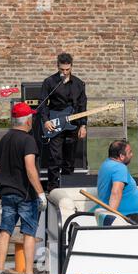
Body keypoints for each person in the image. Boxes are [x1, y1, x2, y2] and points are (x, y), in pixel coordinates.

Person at [0, 102, 47, 274]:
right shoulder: (28, 140)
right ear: (27, 121)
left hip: (7, 192)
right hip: (25, 194)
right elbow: (30, 169)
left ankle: (0, 273)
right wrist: (41, 194)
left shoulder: (4, 139)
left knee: (5, 231)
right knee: (29, 233)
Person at [39, 52, 87, 192]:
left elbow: (83, 105)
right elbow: (42, 103)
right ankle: (52, 188)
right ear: (57, 67)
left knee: (70, 157)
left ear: (71, 67)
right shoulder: (49, 82)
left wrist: (83, 125)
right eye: (62, 69)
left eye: (67, 69)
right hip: (55, 123)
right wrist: (46, 120)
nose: (65, 72)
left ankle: (67, 186)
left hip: (73, 124)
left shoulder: (79, 83)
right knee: (55, 157)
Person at [97, 139, 138, 225]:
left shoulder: (106, 164)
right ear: (121, 156)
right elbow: (116, 192)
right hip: (128, 214)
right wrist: (112, 217)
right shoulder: (120, 168)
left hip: (130, 208)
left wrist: (136, 193)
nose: (132, 155)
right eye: (130, 152)